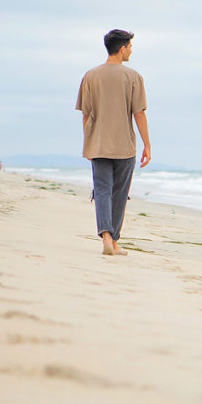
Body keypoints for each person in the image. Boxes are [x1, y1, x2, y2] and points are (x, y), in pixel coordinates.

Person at [75, 29, 151, 255]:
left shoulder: (90, 75)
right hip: (124, 146)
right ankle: (114, 239)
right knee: (119, 193)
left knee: (103, 190)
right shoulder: (134, 77)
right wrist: (147, 144)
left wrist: (88, 142)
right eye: (130, 47)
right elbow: (139, 114)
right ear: (122, 48)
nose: (131, 51)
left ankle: (108, 238)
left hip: (98, 144)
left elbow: (86, 114)